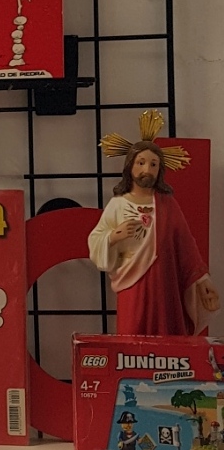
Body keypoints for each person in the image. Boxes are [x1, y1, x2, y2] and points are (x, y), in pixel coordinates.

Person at [88, 113, 219, 335]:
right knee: (132, 331)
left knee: (165, 332)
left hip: (164, 283)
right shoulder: (118, 204)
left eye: (153, 164)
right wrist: (114, 236)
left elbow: (186, 244)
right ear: (130, 166)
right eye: (141, 163)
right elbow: (96, 238)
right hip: (133, 283)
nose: (147, 170)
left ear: (160, 170)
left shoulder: (168, 204)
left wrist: (202, 279)